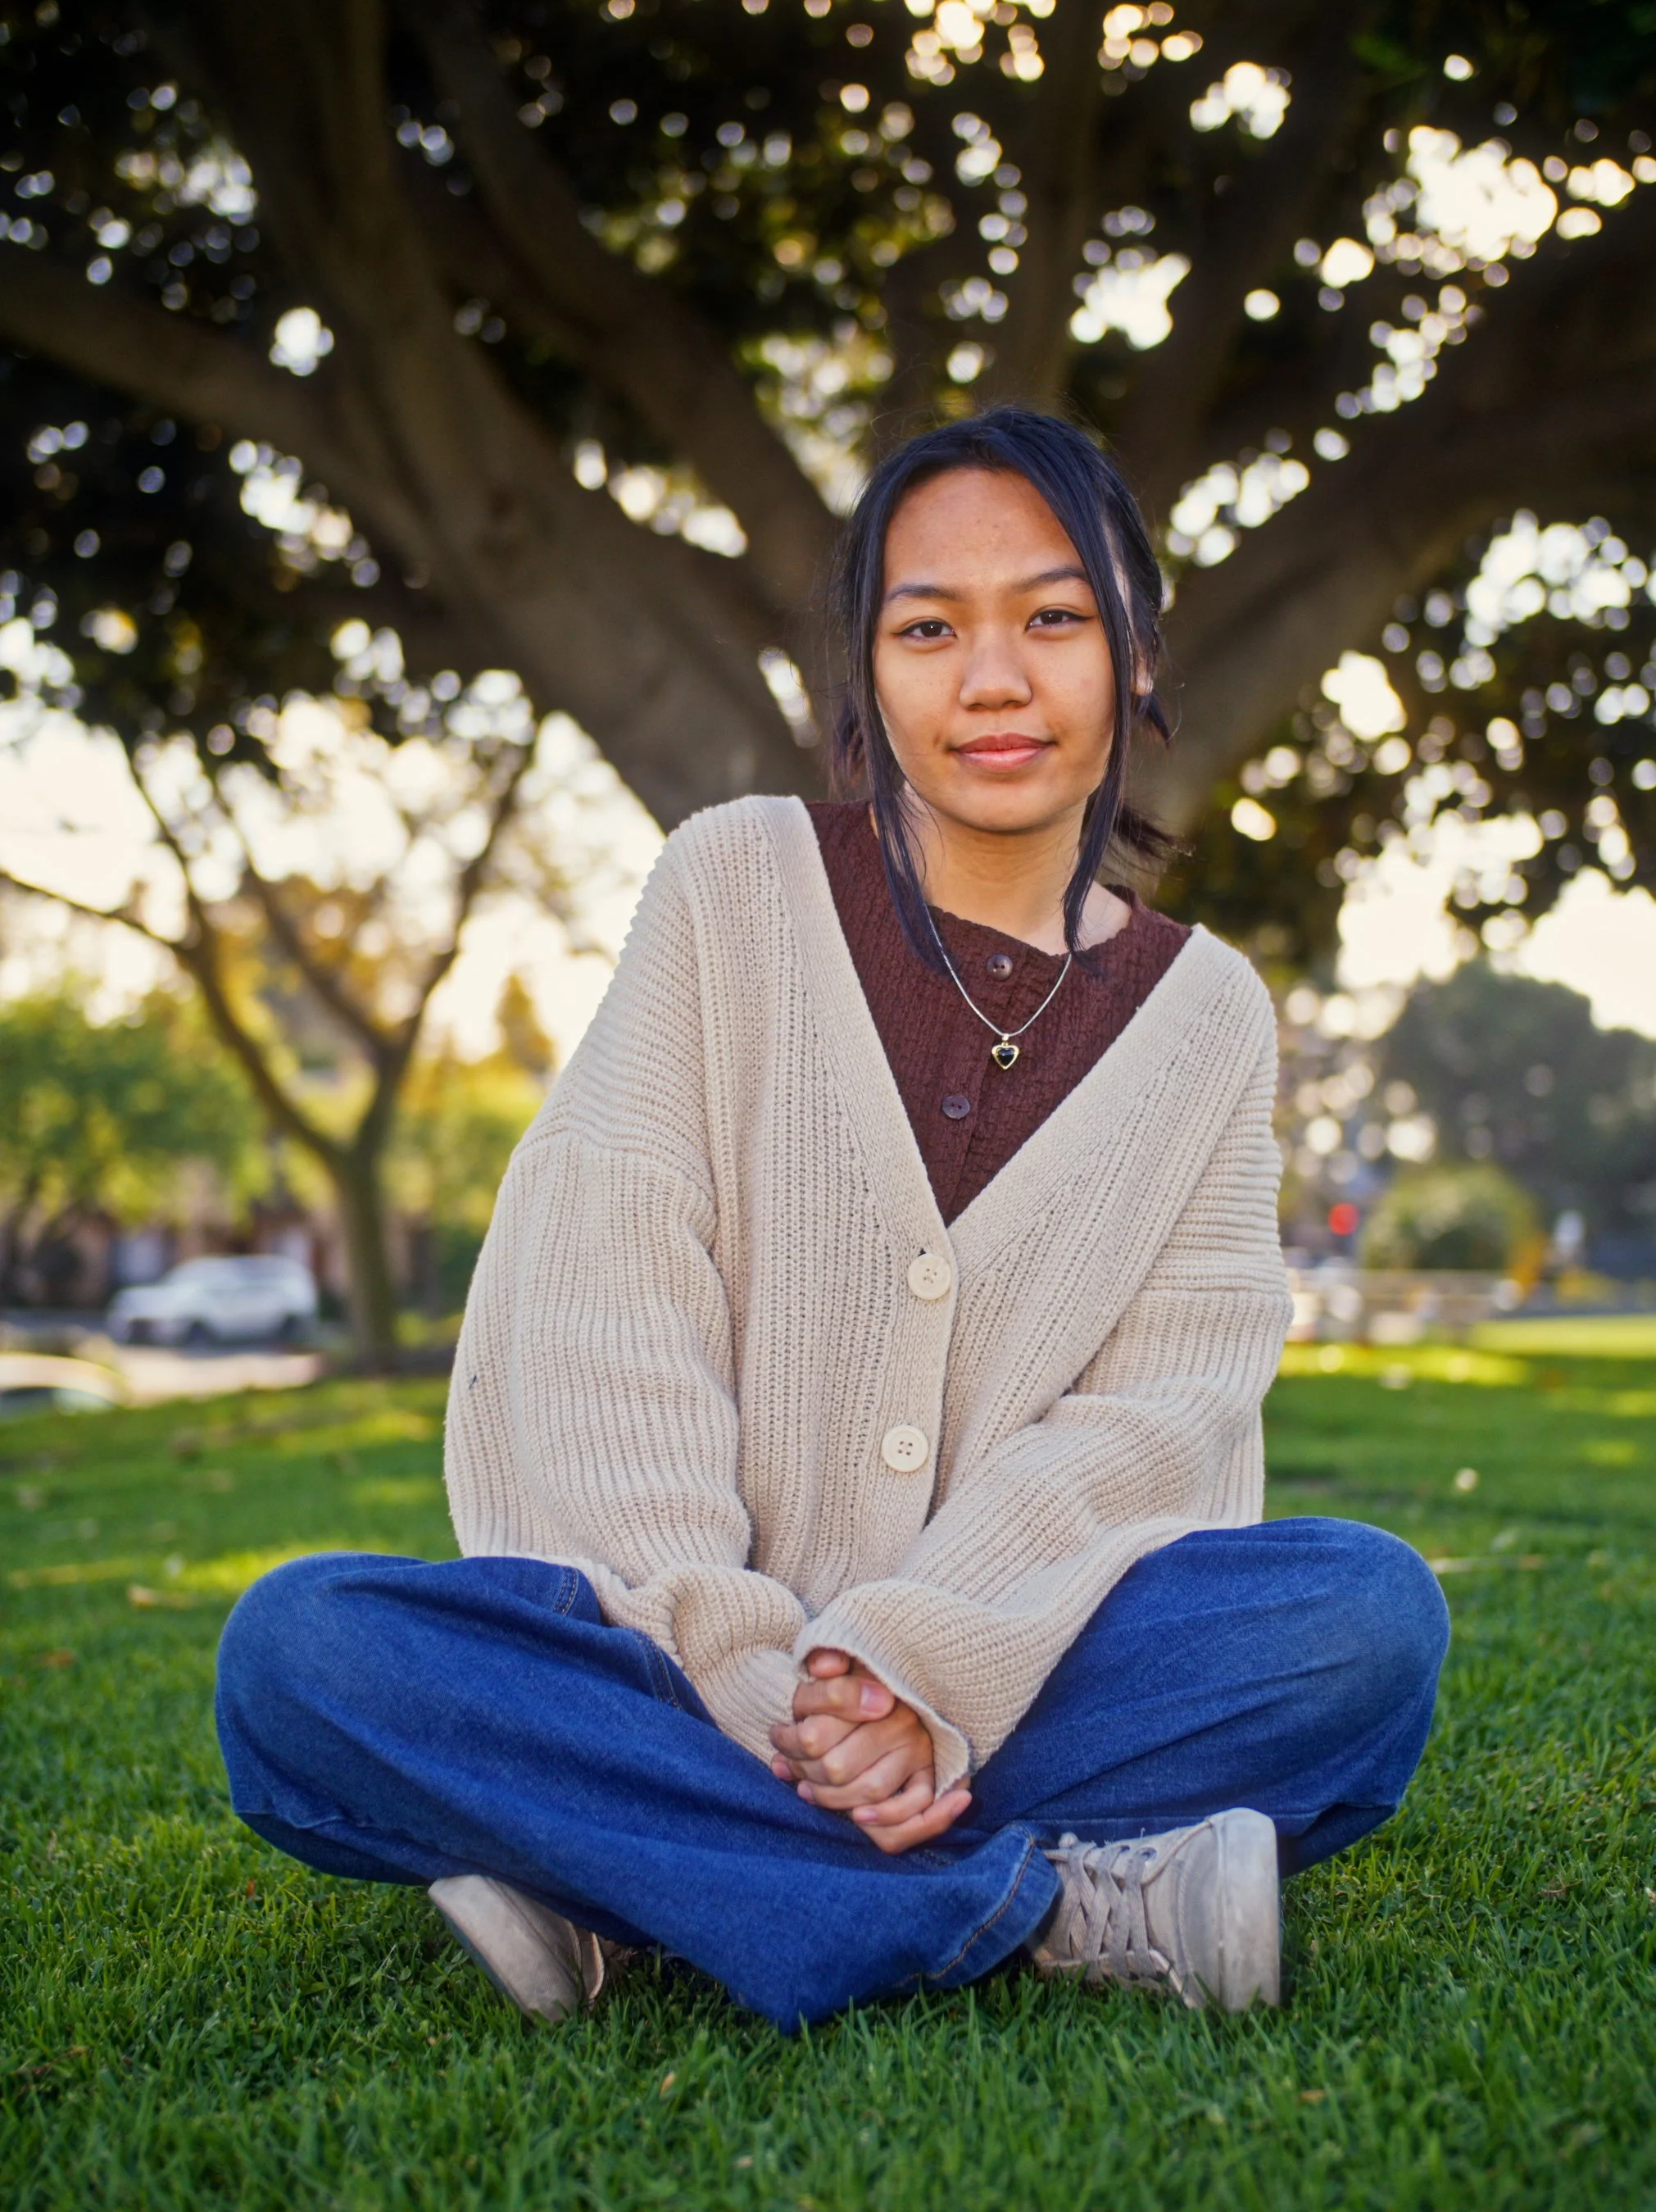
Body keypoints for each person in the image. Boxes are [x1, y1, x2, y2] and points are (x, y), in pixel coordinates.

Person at [215, 408, 1449, 2034]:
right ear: (865, 674)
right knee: (303, 1661)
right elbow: (604, 1319)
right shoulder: (732, 889)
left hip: (1006, 1674)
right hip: (670, 1661)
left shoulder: (1208, 1014)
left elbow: (1160, 1419)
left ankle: (617, 1881)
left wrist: (919, 1671)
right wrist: (752, 1683)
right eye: (929, 627)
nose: (992, 678)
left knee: (1362, 1628)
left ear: (1135, 655)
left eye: (1053, 618)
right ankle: (1044, 1914)